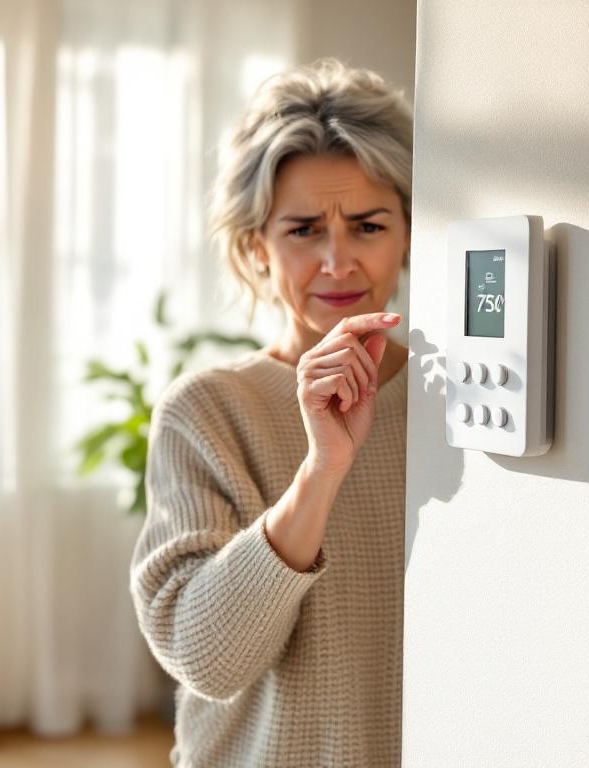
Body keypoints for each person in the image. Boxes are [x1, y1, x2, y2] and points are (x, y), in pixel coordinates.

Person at [130, 57, 412, 766]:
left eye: (369, 226)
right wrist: (323, 469)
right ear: (257, 246)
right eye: (304, 229)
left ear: (409, 232)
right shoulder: (207, 412)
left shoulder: (462, 400)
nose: (338, 261)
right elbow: (206, 660)